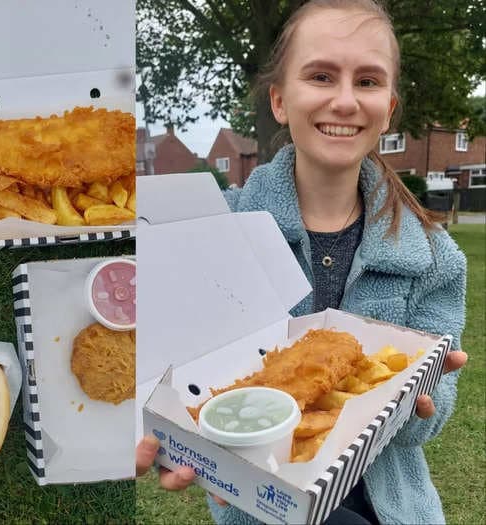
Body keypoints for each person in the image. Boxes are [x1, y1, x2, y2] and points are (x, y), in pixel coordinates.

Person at [136, 1, 468, 523]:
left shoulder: (433, 256)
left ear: (388, 106)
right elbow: (171, 370)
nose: (343, 100)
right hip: (261, 507)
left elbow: (437, 410)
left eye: (367, 81)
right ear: (279, 101)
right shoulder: (214, 233)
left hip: (395, 510)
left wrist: (417, 397)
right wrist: (172, 439)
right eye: (320, 76)